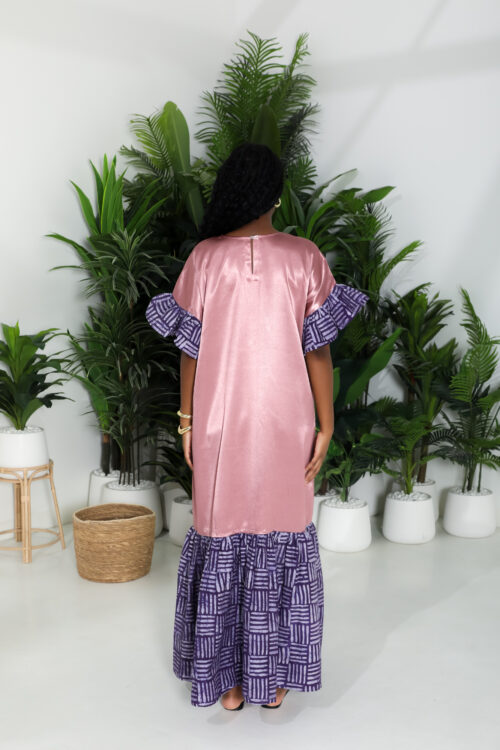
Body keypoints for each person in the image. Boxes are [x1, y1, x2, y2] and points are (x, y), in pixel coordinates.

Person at [145, 142, 369, 710]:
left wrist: (187, 421)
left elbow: (189, 350)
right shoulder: (303, 257)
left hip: (218, 428)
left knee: (220, 537)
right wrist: (326, 424)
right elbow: (318, 349)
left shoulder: (204, 259)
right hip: (287, 426)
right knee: (283, 540)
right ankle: (274, 678)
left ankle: (227, 682)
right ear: (275, 196)